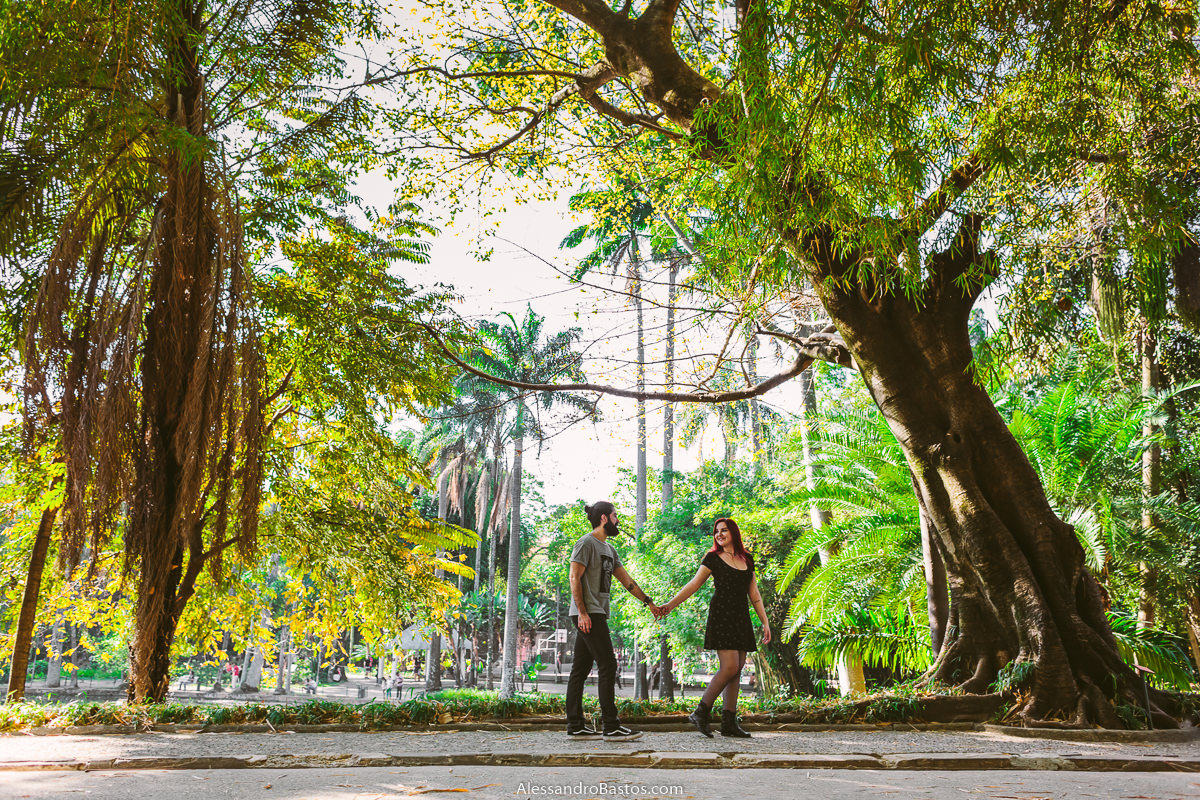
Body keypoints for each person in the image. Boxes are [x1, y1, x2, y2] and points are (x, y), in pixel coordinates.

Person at [658, 517, 772, 738]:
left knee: (737, 668)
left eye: (724, 530)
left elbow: (755, 595)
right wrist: (670, 605)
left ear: (734, 533)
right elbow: (694, 584)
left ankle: (728, 723)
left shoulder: (746, 559)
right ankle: (701, 712)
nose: (719, 534)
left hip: (741, 617)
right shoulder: (713, 558)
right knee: (729, 667)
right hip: (722, 615)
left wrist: (765, 621)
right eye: (716, 531)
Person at [565, 501, 660, 740]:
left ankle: (575, 725)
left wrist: (648, 601)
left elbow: (627, 581)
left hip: (595, 612)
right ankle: (611, 725)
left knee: (580, 669)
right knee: (608, 664)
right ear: (605, 518)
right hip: (589, 613)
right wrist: (582, 612)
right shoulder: (586, 543)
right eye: (615, 516)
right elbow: (574, 577)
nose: (618, 520)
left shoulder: (609, 550)